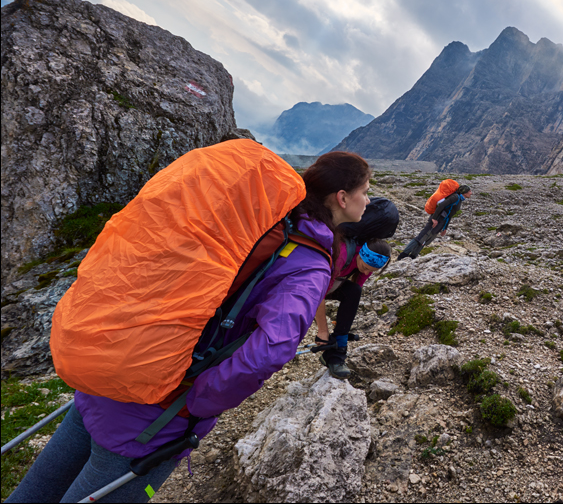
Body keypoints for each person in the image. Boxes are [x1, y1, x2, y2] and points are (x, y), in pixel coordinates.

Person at [8, 151, 371, 504]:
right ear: (341, 198)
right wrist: (196, 404)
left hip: (108, 378)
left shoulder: (258, 224)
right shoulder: (309, 264)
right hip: (152, 417)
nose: (368, 200)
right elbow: (271, 350)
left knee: (31, 494)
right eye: (365, 191)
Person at [314, 237, 392, 379]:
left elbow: (353, 295)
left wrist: (342, 325)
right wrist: (323, 331)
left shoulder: (367, 264)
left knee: (354, 291)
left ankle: (336, 355)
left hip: (329, 286)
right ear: (361, 255)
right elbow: (318, 295)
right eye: (366, 268)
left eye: (372, 271)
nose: (366, 273)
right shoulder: (342, 256)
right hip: (307, 285)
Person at [397, 183, 471, 260]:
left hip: (441, 223)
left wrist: (445, 228)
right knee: (421, 237)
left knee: (426, 239)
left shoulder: (459, 199)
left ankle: (412, 257)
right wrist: (434, 218)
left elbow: (450, 215)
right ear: (465, 192)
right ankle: (402, 256)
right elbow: (441, 206)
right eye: (470, 191)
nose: (471, 193)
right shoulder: (455, 197)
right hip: (436, 220)